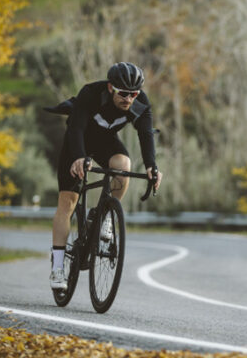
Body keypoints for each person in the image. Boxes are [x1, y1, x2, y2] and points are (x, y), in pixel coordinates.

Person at [48, 62, 162, 290]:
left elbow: (145, 134)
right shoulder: (91, 93)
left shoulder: (140, 103)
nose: (128, 99)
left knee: (123, 164)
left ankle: (107, 216)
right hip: (77, 141)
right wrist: (79, 157)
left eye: (133, 94)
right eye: (123, 93)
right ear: (111, 88)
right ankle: (58, 268)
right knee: (68, 202)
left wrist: (152, 166)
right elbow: (76, 128)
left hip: (104, 142)